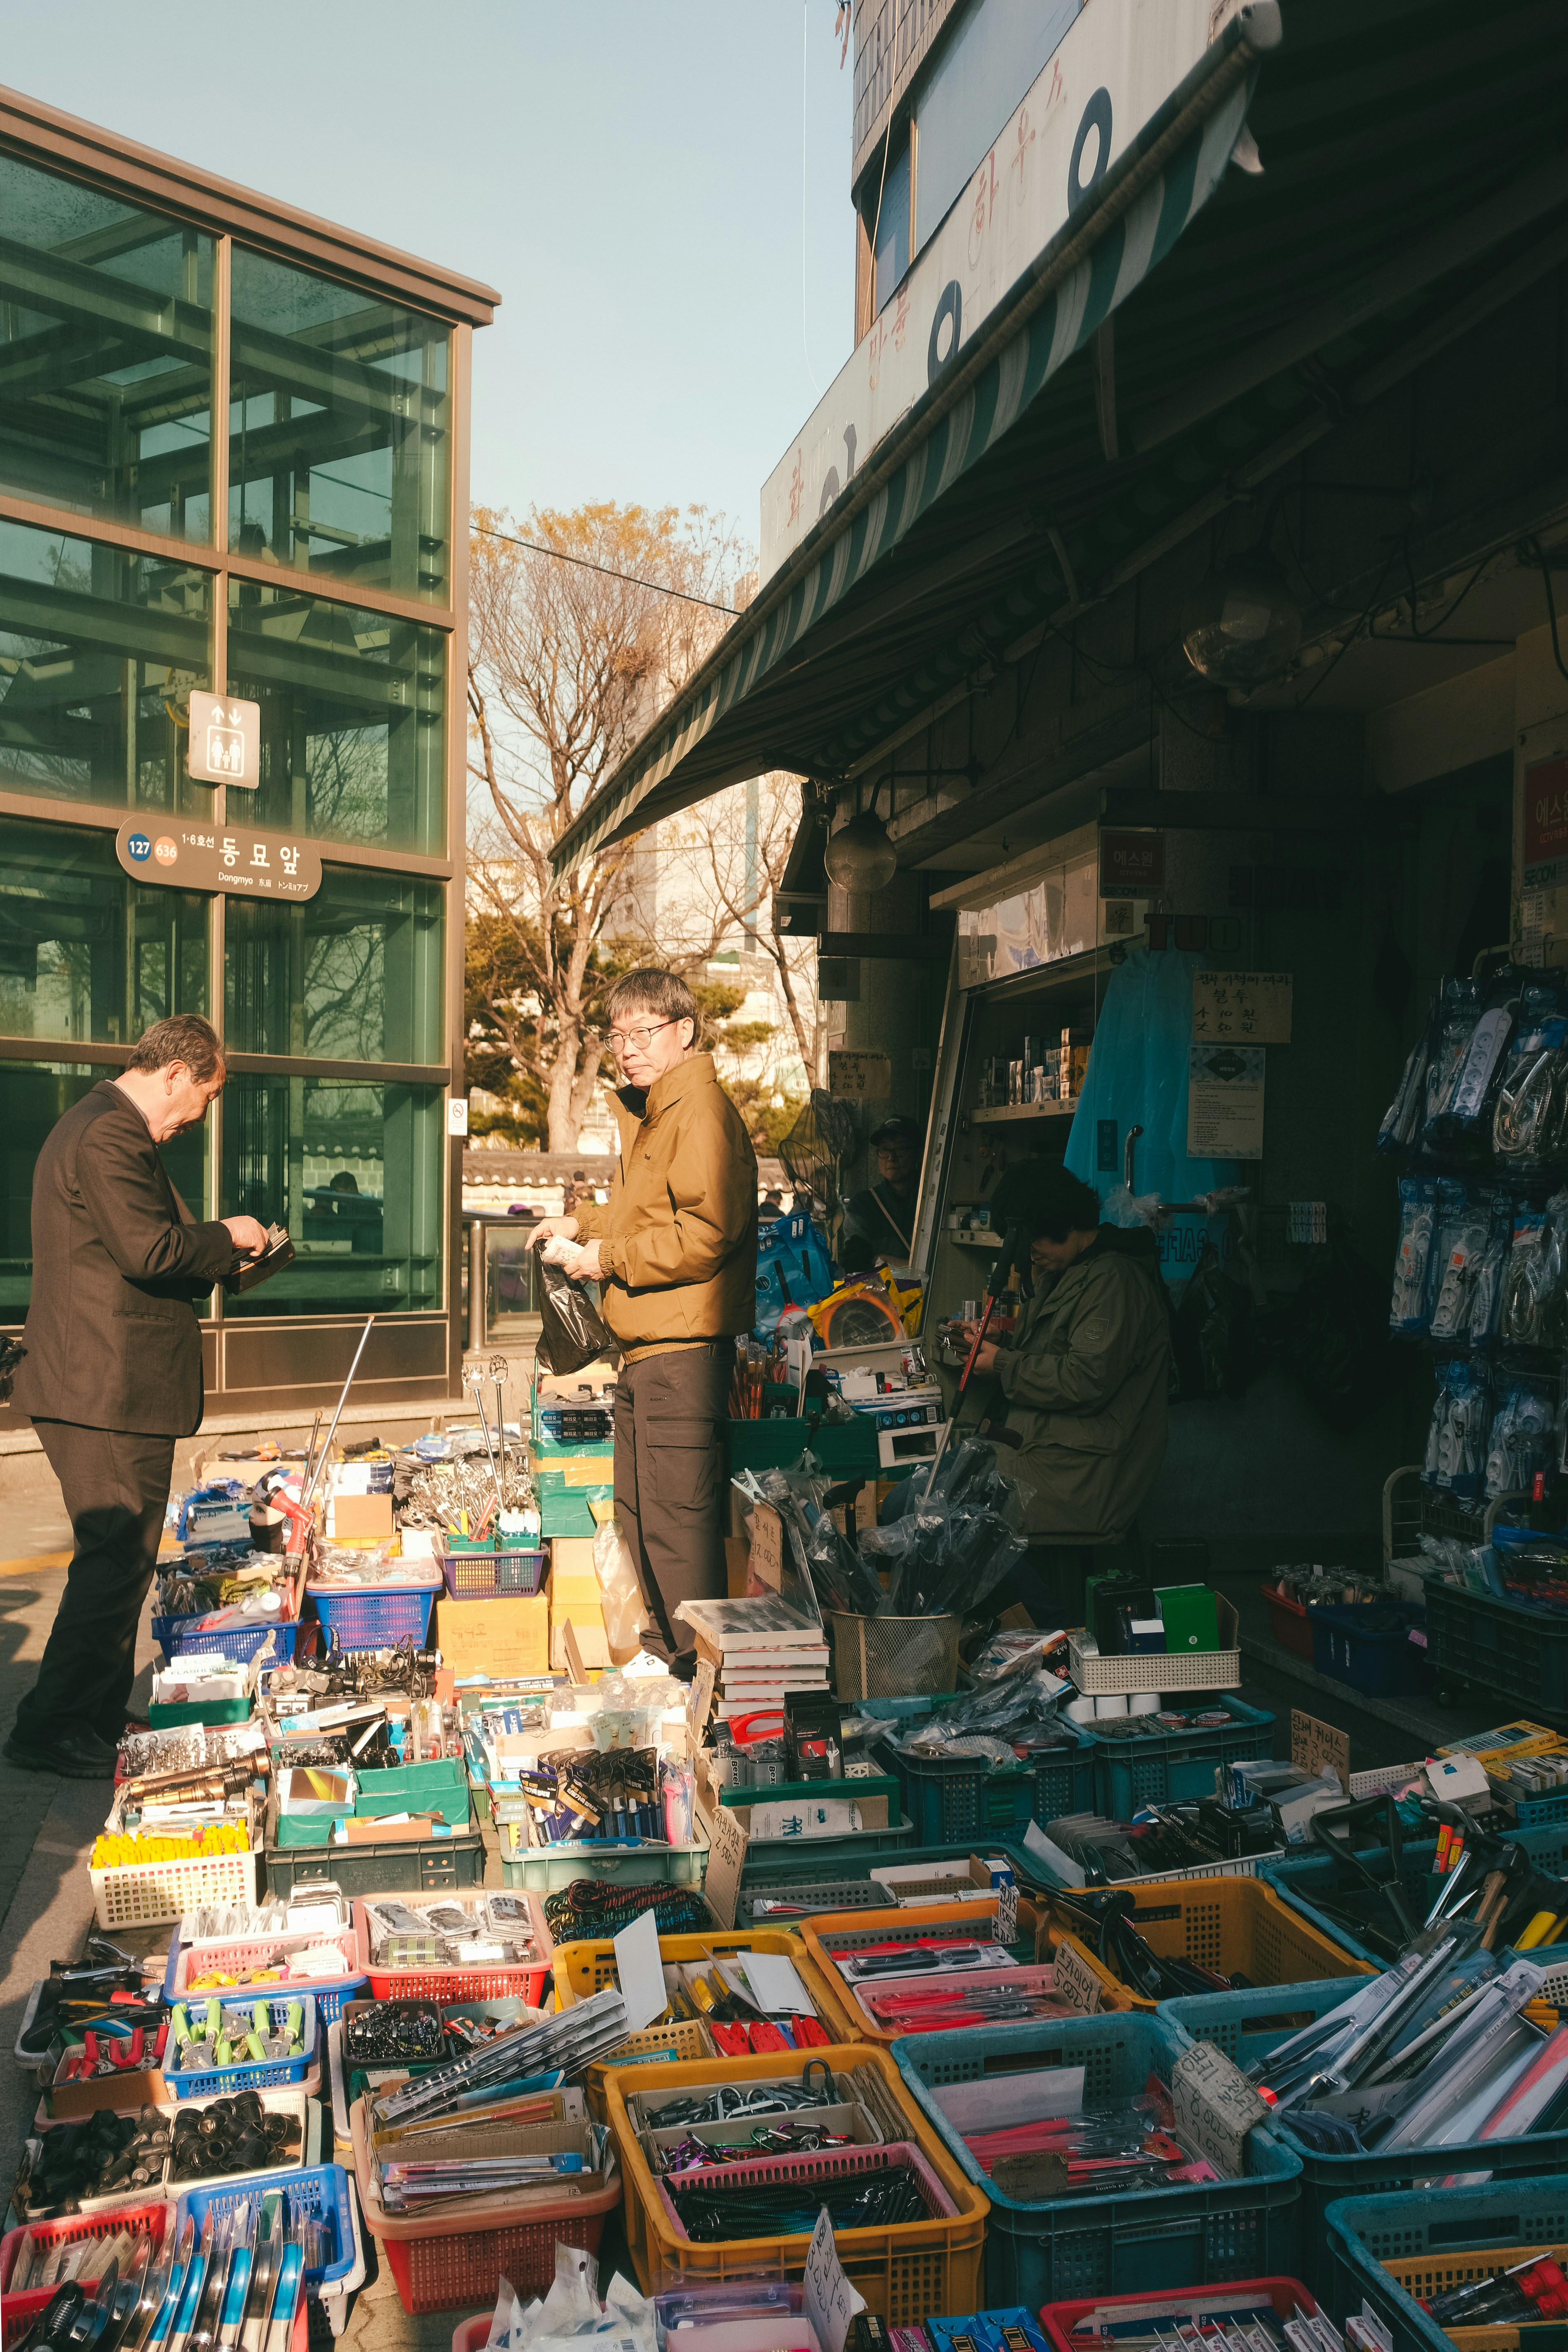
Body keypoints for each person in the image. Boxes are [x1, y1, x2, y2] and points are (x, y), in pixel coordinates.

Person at [4, 1015, 267, 1776]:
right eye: (206, 1096)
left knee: (119, 1559)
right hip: (103, 1386)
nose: (200, 1116)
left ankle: (87, 1714)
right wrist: (228, 1233)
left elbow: (139, 1251)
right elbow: (148, 1248)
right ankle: (48, 1727)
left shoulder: (106, 1128)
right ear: (178, 1073)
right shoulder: (109, 1135)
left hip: (104, 1383)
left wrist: (223, 1256)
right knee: (114, 1561)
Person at [530, 969, 757, 1664]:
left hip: (681, 1352)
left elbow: (706, 1232)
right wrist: (582, 1219)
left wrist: (607, 1258)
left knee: (677, 1536)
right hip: (649, 1354)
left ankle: (701, 1697)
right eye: (618, 1035)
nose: (626, 1048)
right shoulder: (655, 1113)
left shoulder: (700, 1112)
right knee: (641, 1524)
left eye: (642, 1032)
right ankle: (667, 1672)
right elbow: (644, 1215)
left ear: (684, 1031)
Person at [953, 1160, 1171, 1626]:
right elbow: (1052, 1354)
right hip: (1048, 1449)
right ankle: (1020, 1632)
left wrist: (1003, 1363)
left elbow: (1084, 1379)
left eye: (1036, 1244)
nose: (1031, 1256)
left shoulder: (1115, 1281)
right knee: (922, 1500)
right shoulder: (1070, 1272)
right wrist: (993, 1345)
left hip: (1086, 1471)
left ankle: (1054, 1630)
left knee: (956, 1520)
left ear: (1066, 1226)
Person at [840, 1114, 921, 1273]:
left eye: (901, 1149)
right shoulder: (863, 1205)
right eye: (885, 1149)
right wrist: (913, 1266)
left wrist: (882, 1260)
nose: (892, 1157)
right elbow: (855, 1266)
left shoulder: (930, 1202)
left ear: (918, 1154)